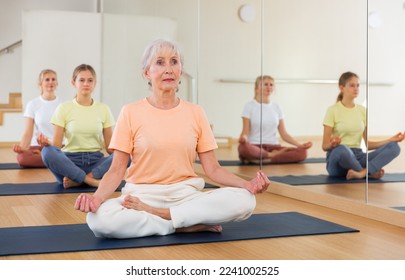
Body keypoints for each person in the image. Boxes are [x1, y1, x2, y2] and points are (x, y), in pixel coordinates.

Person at [74, 39, 270, 239]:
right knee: (98, 220)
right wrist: (97, 199)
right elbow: (116, 170)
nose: (168, 69)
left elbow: (213, 169)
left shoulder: (196, 112)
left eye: (174, 62)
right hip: (141, 196)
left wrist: (247, 185)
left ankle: (165, 217)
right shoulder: (130, 112)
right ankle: (181, 224)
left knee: (246, 200)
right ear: (146, 73)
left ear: (181, 71)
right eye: (159, 62)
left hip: (186, 196)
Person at [37, 64, 116, 188]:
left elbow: (110, 148)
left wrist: (127, 148)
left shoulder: (104, 109)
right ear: (74, 83)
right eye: (81, 80)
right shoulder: (64, 108)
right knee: (47, 152)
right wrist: (47, 143)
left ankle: (81, 179)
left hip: (95, 163)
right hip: (69, 163)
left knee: (127, 154)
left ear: (95, 84)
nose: (86, 84)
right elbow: (57, 146)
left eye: (90, 80)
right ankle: (90, 181)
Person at [322, 71, 403, 180]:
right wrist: (332, 144)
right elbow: (324, 145)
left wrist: (390, 140)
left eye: (358, 85)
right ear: (341, 88)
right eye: (352, 85)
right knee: (342, 149)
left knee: (394, 147)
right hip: (338, 159)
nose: (356, 88)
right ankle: (368, 173)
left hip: (358, 156)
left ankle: (362, 173)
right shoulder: (332, 110)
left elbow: (367, 144)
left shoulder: (362, 111)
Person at [238, 75, 312, 164]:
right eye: (265, 84)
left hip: (274, 147)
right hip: (255, 146)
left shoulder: (277, 107)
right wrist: (243, 139)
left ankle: (265, 159)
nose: (269, 87)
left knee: (302, 152)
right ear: (257, 88)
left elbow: (284, 134)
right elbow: (245, 132)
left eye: (271, 85)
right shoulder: (249, 106)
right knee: (243, 148)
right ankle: (269, 156)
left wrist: (300, 145)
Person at [12, 69, 62, 167]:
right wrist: (21, 148)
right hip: (37, 147)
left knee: (71, 155)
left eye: (53, 79)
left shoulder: (62, 105)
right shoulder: (32, 104)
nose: (51, 82)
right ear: (40, 84)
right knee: (21, 158)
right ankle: (51, 160)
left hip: (58, 147)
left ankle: (46, 157)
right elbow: (28, 132)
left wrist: (51, 148)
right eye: (47, 79)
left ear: (57, 83)